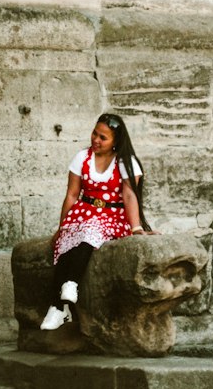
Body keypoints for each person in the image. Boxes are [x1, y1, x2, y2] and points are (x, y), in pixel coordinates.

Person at [40, 112, 150, 331]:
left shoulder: (126, 162)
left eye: (103, 137)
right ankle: (59, 308)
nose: (96, 140)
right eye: (95, 134)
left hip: (112, 216)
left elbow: (130, 196)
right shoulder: (82, 157)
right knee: (66, 241)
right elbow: (72, 194)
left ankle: (69, 287)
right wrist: (62, 228)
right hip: (84, 212)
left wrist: (136, 227)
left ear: (116, 141)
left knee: (89, 232)